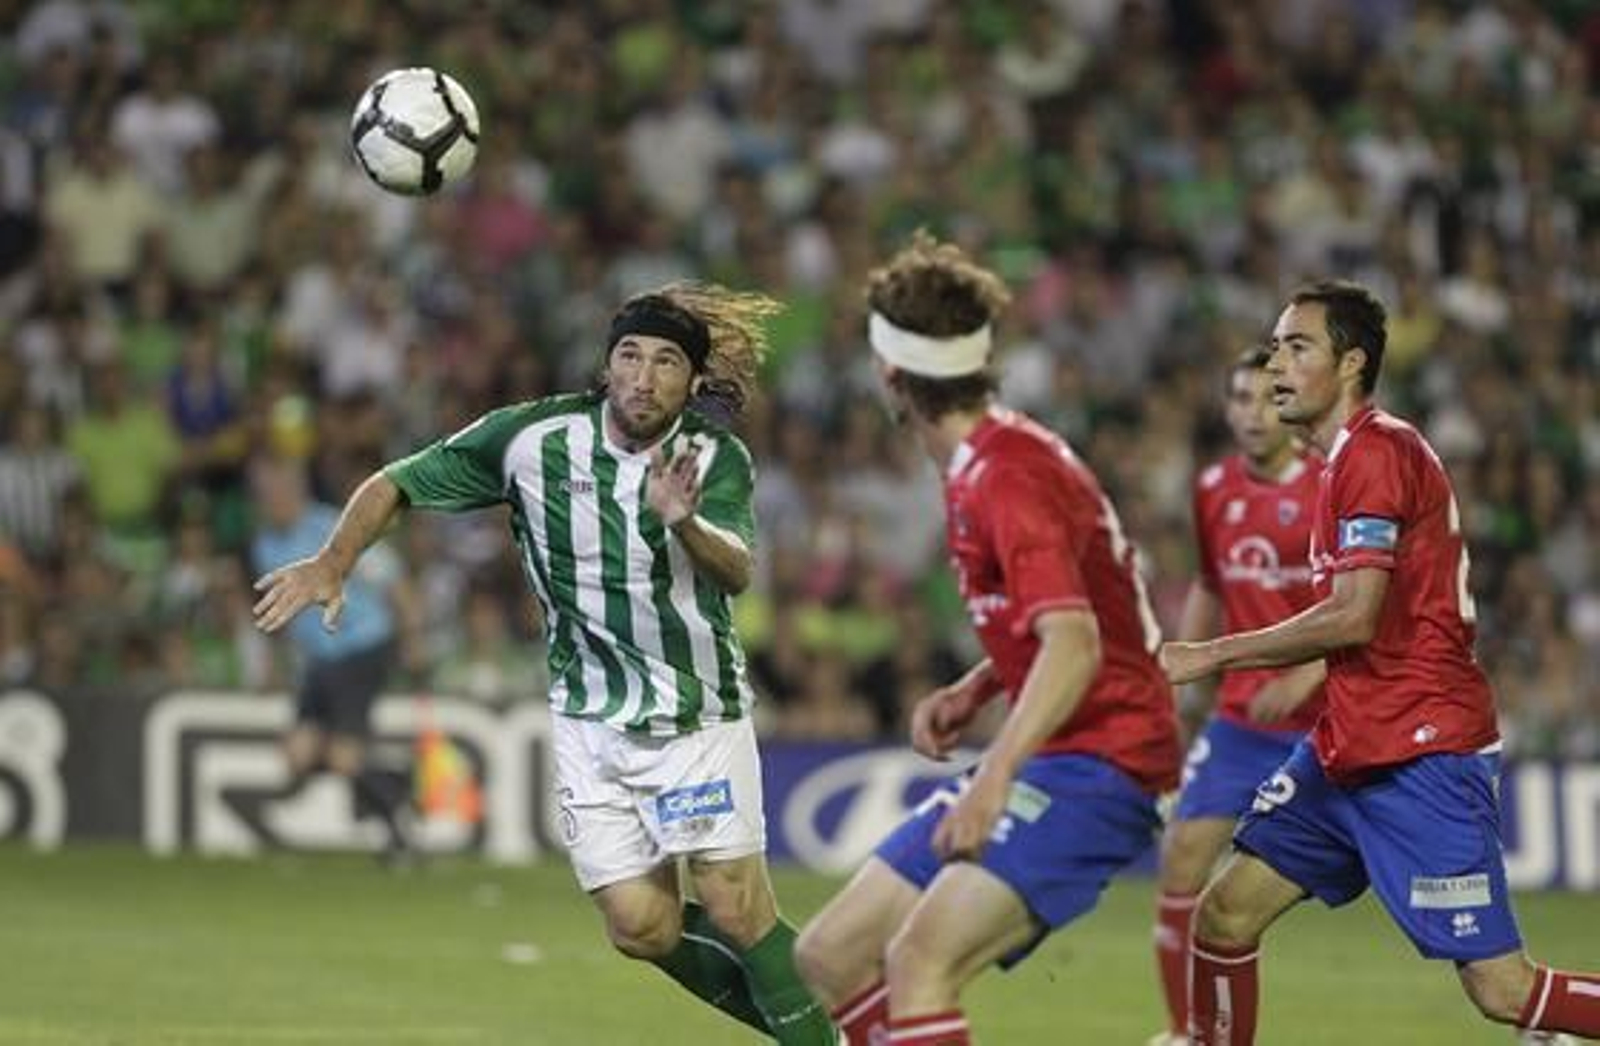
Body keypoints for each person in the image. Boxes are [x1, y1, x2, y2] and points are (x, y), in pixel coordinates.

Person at [252, 283, 835, 1044]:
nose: (643, 375)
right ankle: (826, 1015)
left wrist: (682, 520)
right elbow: (397, 481)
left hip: (696, 714)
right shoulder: (532, 439)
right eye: (629, 355)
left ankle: (828, 1036)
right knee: (640, 928)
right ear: (607, 364)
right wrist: (334, 561)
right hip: (590, 720)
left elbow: (736, 571)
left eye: (666, 362)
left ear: (692, 382)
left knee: (733, 904)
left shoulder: (712, 456)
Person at [1160, 280, 1600, 1045]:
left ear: (1352, 363)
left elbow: (1355, 616)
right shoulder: (1340, 462)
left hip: (1424, 751)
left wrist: (1212, 654)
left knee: (1502, 990)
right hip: (1351, 744)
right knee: (1225, 915)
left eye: (1297, 347)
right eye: (1273, 348)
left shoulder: (1377, 453)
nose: (1276, 367)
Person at [794, 232, 1183, 1045]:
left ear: (890, 374)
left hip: (1106, 761)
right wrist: (978, 686)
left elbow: (1074, 642)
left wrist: (993, 776)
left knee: (918, 964)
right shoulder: (991, 457)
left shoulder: (1006, 477)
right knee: (830, 955)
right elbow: (1074, 611)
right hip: (1061, 749)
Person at [1148, 348, 1326, 1046]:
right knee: (1183, 858)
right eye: (1240, 400)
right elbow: (1212, 583)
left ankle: (1520, 999)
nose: (1252, 414)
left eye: (1264, 399)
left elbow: (1362, 607)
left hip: (1330, 720)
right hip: (1240, 720)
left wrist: (1306, 675)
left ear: (1287, 406)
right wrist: (1183, 680)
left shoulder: (1328, 487)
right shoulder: (1213, 488)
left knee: (1416, 883)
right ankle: (1186, 1030)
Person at [249, 454, 419, 863]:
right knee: (298, 756)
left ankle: (399, 836)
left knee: (343, 759)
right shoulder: (264, 545)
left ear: (297, 490)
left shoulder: (332, 527)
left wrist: (412, 632)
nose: (272, 500)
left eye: (278, 491)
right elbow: (280, 606)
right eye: (264, 493)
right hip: (319, 661)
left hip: (362, 646)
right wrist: (273, 664)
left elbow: (391, 576)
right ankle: (393, 780)